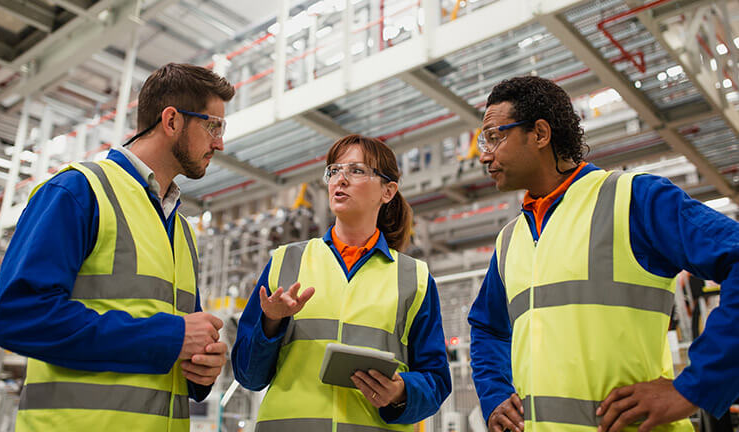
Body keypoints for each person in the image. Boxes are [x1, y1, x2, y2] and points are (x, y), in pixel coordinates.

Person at [467, 76, 739, 432]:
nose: (485, 155)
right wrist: (494, 395)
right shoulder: (509, 240)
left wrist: (693, 388)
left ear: (540, 134)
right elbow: (487, 327)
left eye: (494, 136)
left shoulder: (633, 200)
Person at [0, 63, 235, 431]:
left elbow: (179, 345)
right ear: (171, 121)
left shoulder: (182, 231)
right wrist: (168, 336)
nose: (219, 142)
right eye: (213, 126)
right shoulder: (79, 191)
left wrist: (201, 370)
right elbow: (19, 317)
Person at [231, 134, 451, 432]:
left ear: (388, 191)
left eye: (356, 170)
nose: (340, 180)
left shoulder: (415, 279)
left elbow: (437, 381)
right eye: (334, 171)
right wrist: (270, 324)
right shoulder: (286, 263)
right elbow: (248, 376)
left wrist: (401, 391)